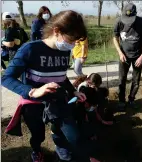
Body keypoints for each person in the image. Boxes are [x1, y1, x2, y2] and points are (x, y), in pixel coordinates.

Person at [1, 10, 87, 162]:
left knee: (71, 135)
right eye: (71, 39)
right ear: (57, 31)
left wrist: (73, 91)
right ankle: (36, 150)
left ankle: (62, 151)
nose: (73, 45)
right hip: (34, 104)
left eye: (76, 42)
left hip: (58, 100)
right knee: (38, 135)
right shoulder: (30, 50)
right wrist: (33, 91)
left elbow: (60, 76)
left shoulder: (64, 50)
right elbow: (6, 78)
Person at [113, 3, 142, 110]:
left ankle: (131, 99)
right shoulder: (119, 21)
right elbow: (115, 38)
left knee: (136, 80)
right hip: (123, 56)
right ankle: (121, 101)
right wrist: (120, 53)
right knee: (122, 80)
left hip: (138, 56)